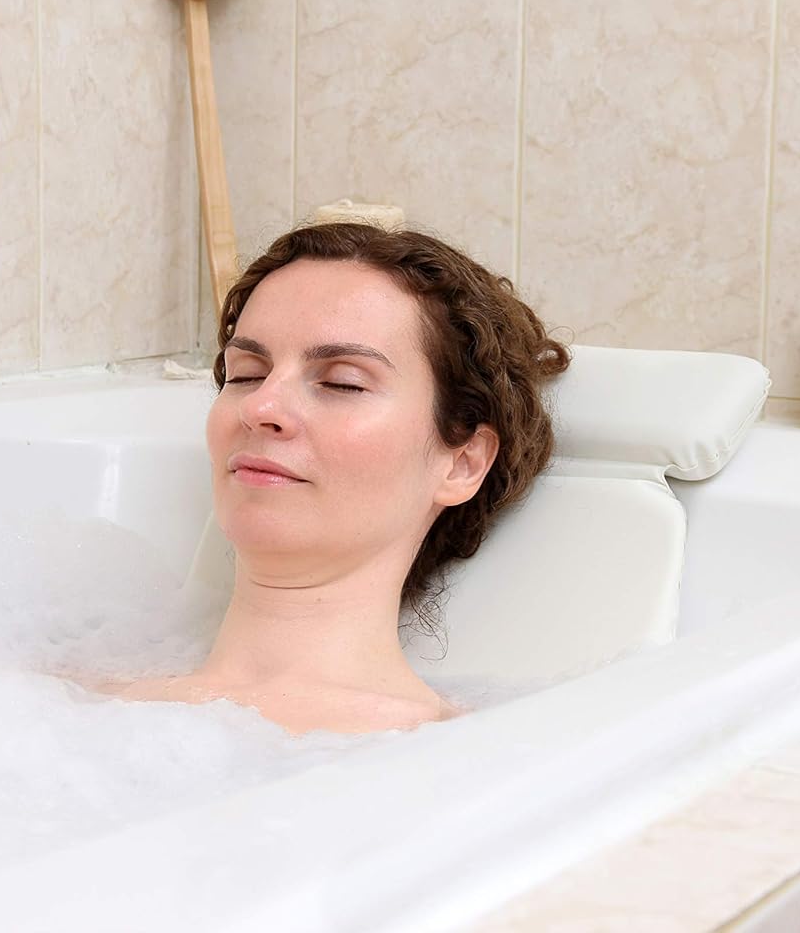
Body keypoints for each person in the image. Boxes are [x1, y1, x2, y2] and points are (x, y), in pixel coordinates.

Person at [93, 222, 569, 734]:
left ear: (462, 463)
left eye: (343, 383)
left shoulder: (443, 755)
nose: (260, 406)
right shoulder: (68, 703)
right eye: (246, 374)